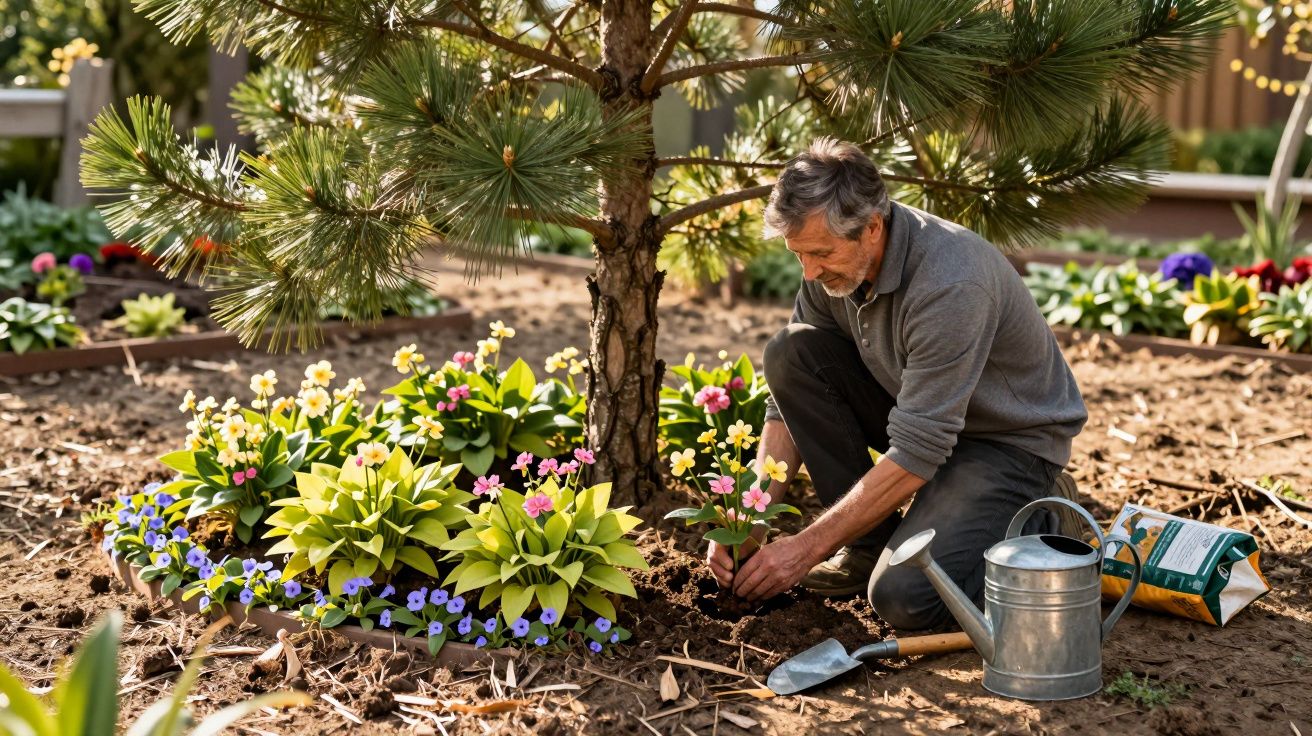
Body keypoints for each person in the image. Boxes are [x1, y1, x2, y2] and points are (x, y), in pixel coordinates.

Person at [706, 138, 1089, 630]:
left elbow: (918, 449)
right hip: (919, 413)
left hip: (1005, 442)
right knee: (791, 352)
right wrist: (748, 519)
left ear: (871, 226)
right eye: (798, 254)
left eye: (821, 253)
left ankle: (1044, 516)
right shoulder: (829, 263)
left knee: (905, 600)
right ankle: (869, 548)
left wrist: (805, 548)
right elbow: (788, 405)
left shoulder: (951, 283)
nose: (809, 271)